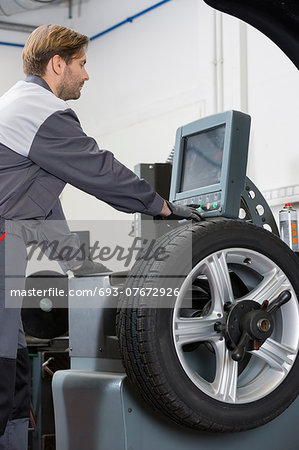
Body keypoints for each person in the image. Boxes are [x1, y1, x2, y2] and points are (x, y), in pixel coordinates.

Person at [0, 24, 201, 449]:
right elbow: (100, 171)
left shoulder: (18, 107)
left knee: (14, 373)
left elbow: (38, 206)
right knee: (2, 377)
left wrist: (78, 264)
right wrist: (163, 208)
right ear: (58, 63)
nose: (86, 75)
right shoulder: (41, 111)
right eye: (82, 64)